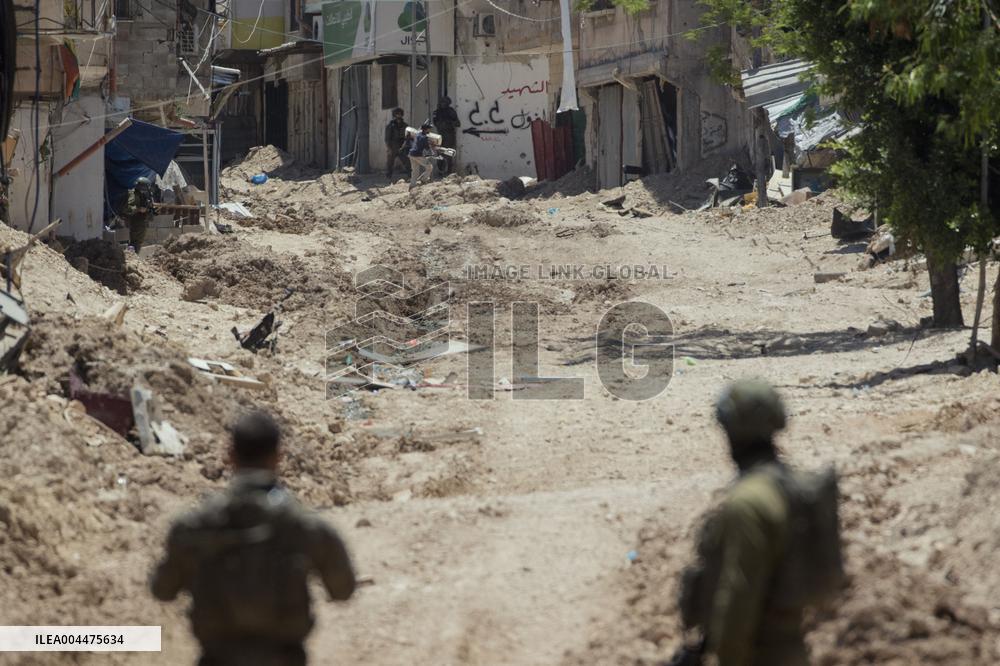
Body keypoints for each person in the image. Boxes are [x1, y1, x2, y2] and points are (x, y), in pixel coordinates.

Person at [150, 411, 356, 666]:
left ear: (230, 456)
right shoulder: (307, 526)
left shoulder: (194, 525)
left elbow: (162, 590)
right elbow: (343, 590)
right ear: (278, 457)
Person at [671, 379, 840, 666]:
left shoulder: (749, 502)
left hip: (757, 655)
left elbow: (739, 595)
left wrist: (726, 657)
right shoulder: (790, 488)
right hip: (791, 649)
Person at [123, 176, 155, 251]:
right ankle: (132, 257)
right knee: (135, 242)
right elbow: (128, 208)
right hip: (135, 221)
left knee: (138, 242)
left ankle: (134, 257)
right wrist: (139, 209)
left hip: (141, 221)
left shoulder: (142, 195)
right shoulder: (133, 195)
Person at [432, 96, 460, 174]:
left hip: (449, 135)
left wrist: (449, 122)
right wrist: (441, 123)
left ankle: (449, 172)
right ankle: (441, 170)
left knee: (448, 154)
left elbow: (458, 123)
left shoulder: (451, 111)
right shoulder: (437, 112)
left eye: (444, 103)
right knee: (439, 153)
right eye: (442, 102)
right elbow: (435, 123)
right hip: (440, 135)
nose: (443, 104)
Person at [384, 108, 411, 179]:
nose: (398, 115)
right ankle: (388, 176)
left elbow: (408, 137)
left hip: (402, 146)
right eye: (397, 114)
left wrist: (405, 145)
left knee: (407, 161)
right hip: (393, 146)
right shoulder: (391, 126)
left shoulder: (405, 125)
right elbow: (387, 138)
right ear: (394, 115)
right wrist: (389, 148)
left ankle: (410, 176)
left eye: (400, 114)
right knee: (390, 163)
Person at [408, 122, 436, 190]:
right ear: (426, 130)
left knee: (415, 171)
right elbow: (427, 149)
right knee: (429, 167)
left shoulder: (417, 134)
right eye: (429, 129)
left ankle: (412, 186)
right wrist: (433, 151)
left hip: (411, 154)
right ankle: (423, 180)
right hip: (417, 155)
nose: (430, 130)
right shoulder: (424, 137)